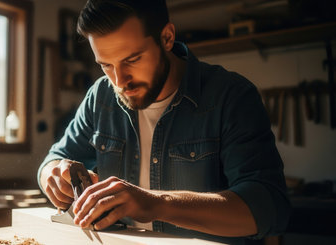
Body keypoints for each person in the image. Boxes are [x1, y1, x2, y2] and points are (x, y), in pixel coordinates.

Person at [38, 0, 291, 244]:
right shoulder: (100, 96)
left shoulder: (231, 96)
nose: (119, 81)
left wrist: (156, 203)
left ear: (167, 37)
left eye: (132, 60)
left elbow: (270, 209)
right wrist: (53, 173)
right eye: (106, 65)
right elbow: (53, 158)